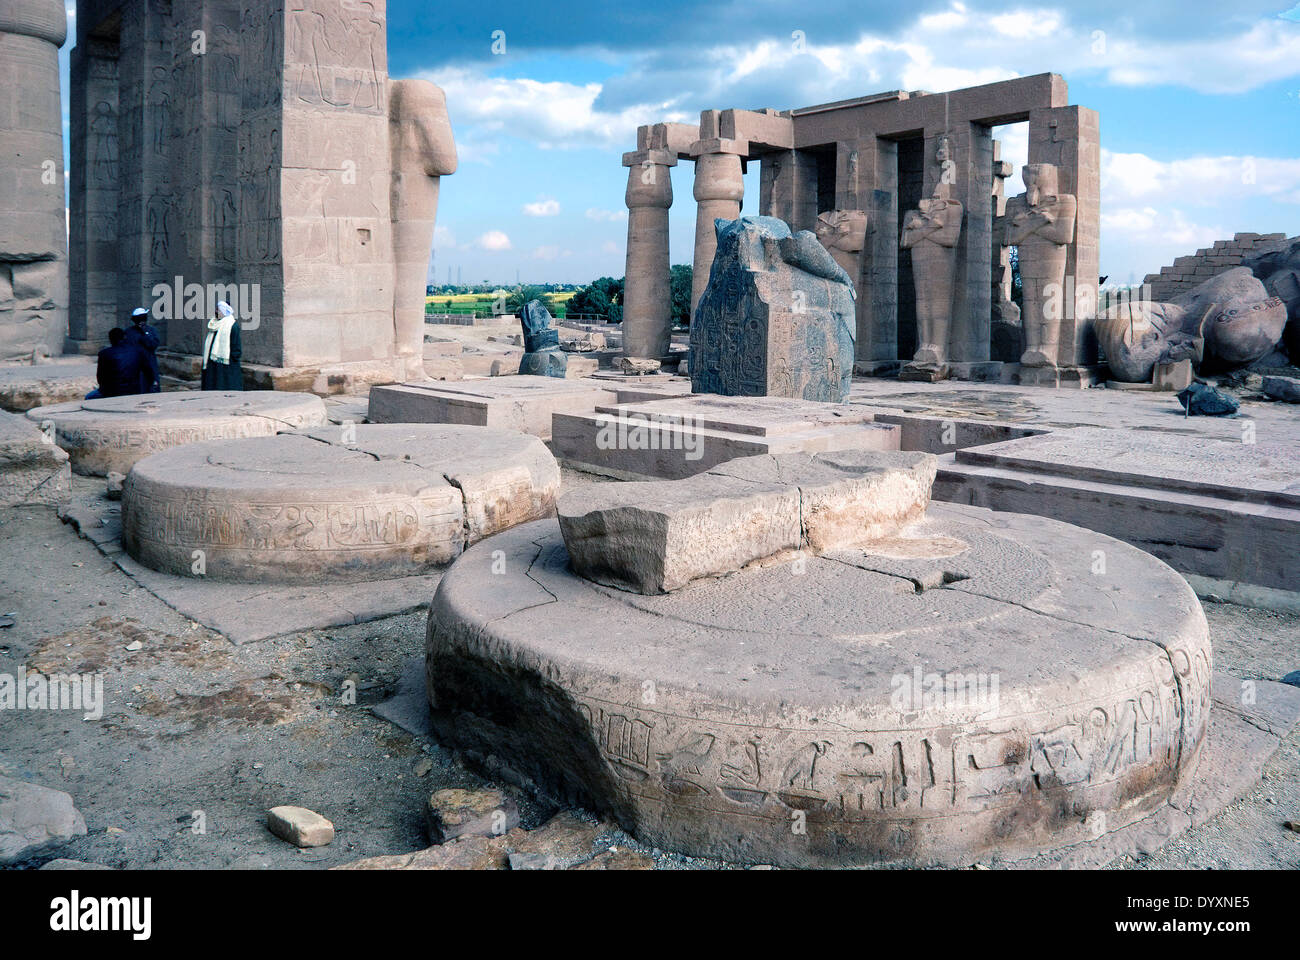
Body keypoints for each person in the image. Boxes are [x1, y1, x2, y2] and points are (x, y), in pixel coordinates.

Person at [91, 328, 148, 398]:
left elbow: (100, 377)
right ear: (124, 337)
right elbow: (147, 371)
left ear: (110, 339)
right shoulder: (137, 351)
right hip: (133, 390)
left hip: (112, 392)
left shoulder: (104, 354)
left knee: (88, 397)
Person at [201, 300, 242, 390]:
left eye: (218, 310)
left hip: (226, 363)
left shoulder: (232, 325)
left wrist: (232, 359)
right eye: (216, 309)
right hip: (213, 361)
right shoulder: (213, 324)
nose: (216, 312)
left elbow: (236, 347)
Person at [122, 306, 161, 392]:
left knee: (152, 387)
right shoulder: (128, 332)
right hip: (135, 365)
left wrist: (144, 333)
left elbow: (153, 344)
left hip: (149, 363)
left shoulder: (151, 330)